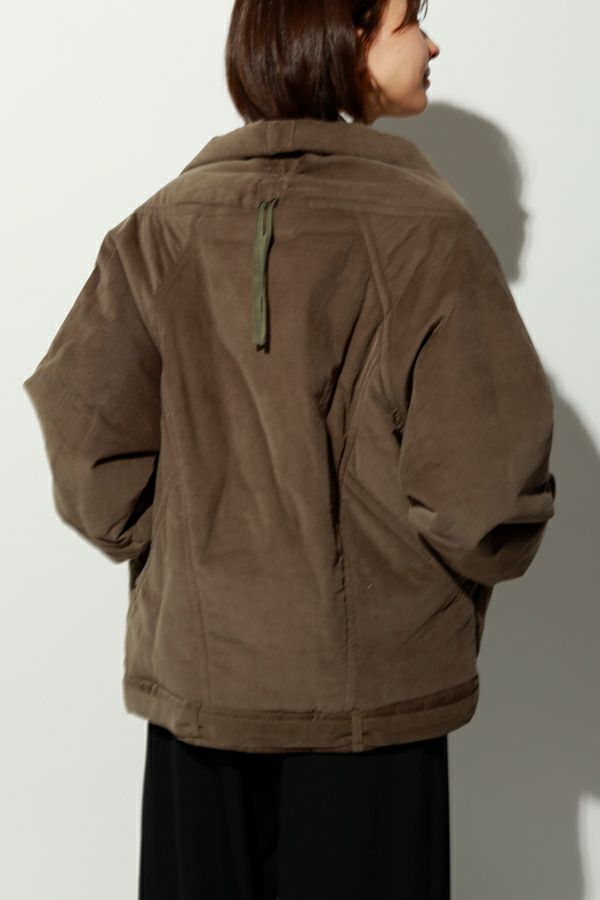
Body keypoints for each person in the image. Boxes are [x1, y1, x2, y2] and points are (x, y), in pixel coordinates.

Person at [22, 0, 557, 897]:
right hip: (371, 718)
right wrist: (427, 595)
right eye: (408, 20)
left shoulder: (161, 228)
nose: (431, 42)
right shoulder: (430, 233)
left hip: (200, 703)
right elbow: (486, 496)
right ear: (342, 36)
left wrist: (188, 553)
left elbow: (88, 449)